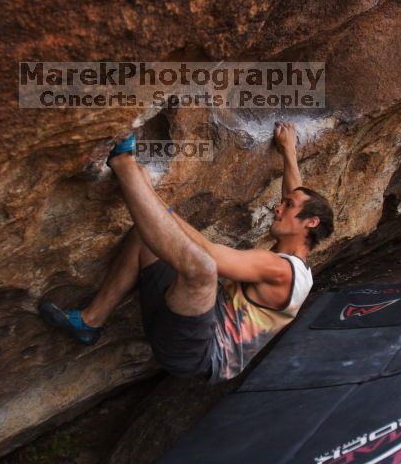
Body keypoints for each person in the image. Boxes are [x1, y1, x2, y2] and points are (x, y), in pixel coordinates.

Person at [40, 121, 334, 383]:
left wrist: (153, 196)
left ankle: (123, 162)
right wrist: (288, 152)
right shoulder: (298, 259)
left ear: (310, 223)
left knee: (203, 268)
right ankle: (90, 322)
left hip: (197, 352)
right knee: (148, 235)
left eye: (287, 206)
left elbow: (211, 256)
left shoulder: (281, 270)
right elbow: (298, 195)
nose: (278, 207)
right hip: (188, 324)